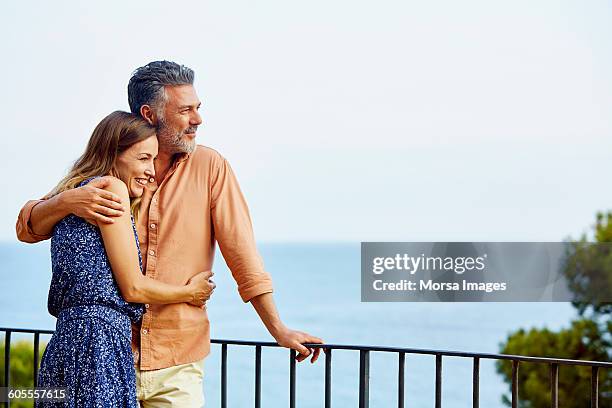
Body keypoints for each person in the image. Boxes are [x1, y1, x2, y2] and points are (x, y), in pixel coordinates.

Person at [17, 61, 323, 407]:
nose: (197, 119)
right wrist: (67, 201)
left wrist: (277, 328)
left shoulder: (211, 168)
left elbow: (243, 256)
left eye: (198, 108)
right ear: (149, 114)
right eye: (185, 110)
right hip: (109, 353)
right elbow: (26, 227)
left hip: (175, 361)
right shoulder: (112, 177)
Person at [33, 111, 214, 407]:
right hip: (99, 343)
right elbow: (134, 288)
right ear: (112, 153)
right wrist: (189, 293)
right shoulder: (111, 188)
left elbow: (30, 224)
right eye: (143, 158)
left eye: (153, 160)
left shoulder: (71, 195)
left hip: (65, 341)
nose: (151, 171)